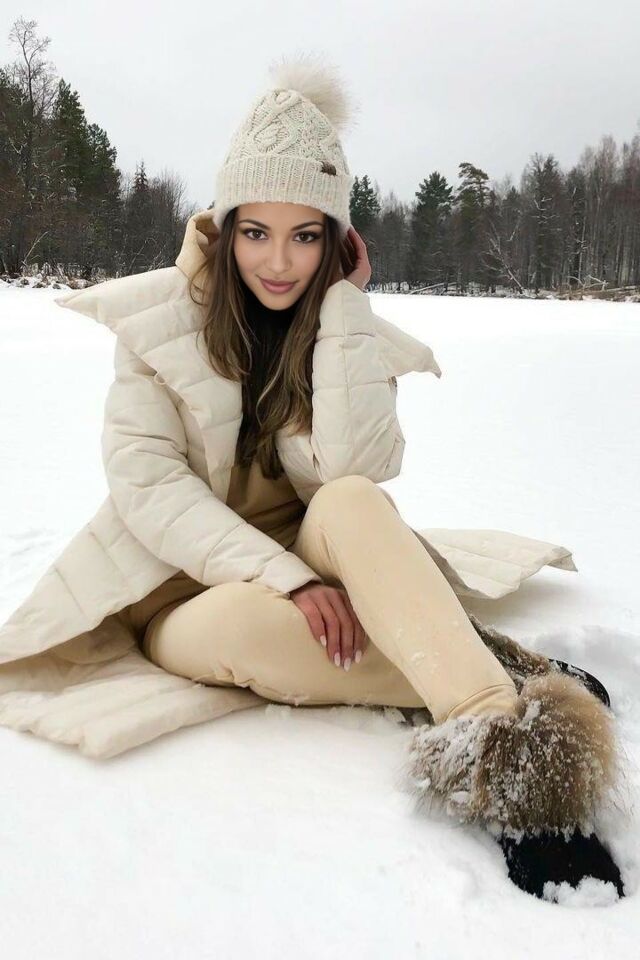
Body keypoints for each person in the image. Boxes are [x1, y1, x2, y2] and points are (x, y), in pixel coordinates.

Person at [0, 54, 627, 900]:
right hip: (182, 591)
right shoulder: (154, 327)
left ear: (335, 242)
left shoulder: (341, 327)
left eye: (305, 235)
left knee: (356, 500)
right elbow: (152, 492)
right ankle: (491, 666)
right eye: (256, 232)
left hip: (318, 548)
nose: (279, 261)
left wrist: (344, 311)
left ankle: (498, 745)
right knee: (249, 630)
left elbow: (354, 469)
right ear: (224, 230)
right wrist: (287, 579)